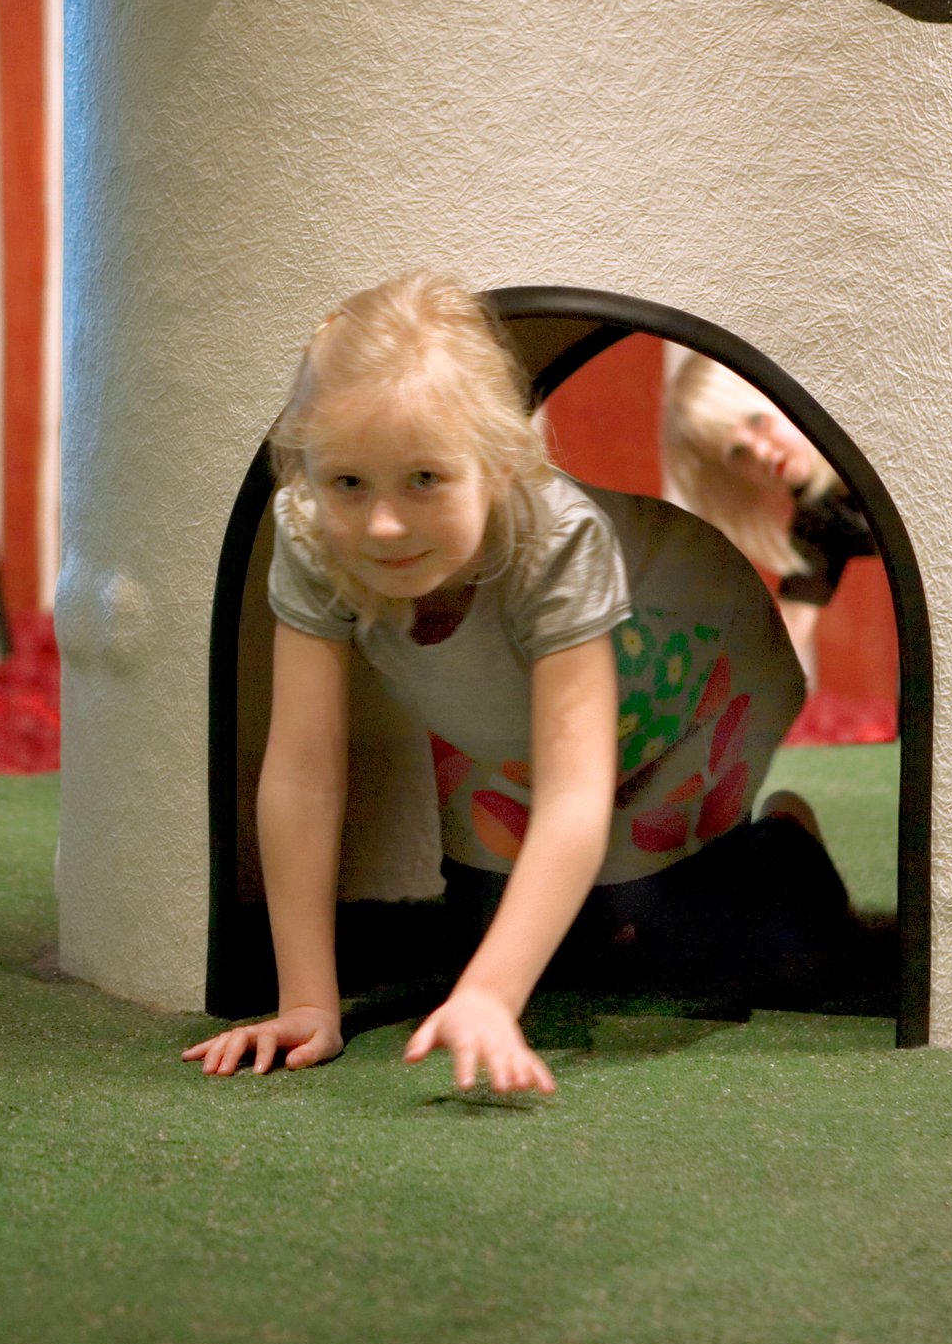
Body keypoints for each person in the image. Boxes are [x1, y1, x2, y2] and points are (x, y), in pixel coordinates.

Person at [185, 273, 874, 1093]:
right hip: (521, 715)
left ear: (499, 464)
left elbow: (577, 793)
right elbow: (302, 769)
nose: (382, 524)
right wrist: (308, 1001)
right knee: (516, 936)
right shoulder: (314, 536)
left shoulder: (554, 546)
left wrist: (490, 995)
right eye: (349, 482)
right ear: (311, 470)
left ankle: (781, 843)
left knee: (686, 939)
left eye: (425, 479)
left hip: (694, 673)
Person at [662, 354, 878, 681]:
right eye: (739, 453)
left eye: (757, 422)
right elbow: (790, 632)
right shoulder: (820, 517)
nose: (761, 453)